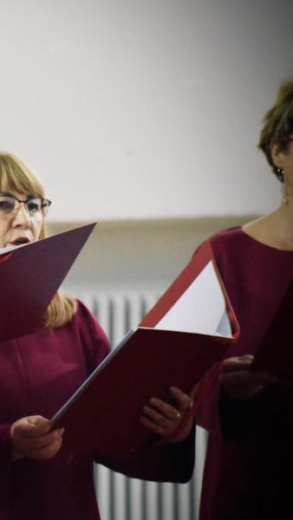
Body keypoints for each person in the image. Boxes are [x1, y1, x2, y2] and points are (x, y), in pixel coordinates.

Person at [0, 149, 196, 519]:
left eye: (35, 206)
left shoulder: (72, 319)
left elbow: (110, 437)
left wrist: (174, 431)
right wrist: (6, 443)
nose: (25, 219)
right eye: (5, 203)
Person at [196, 78, 293, 519]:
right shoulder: (225, 254)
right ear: (279, 150)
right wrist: (228, 390)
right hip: (250, 481)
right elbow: (174, 380)